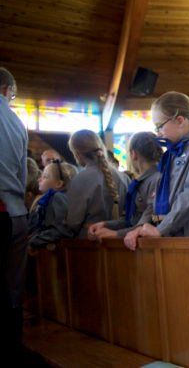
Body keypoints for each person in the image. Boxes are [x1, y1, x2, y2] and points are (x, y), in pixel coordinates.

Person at [123, 92, 189, 251]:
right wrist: (140, 227)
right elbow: (155, 197)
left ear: (180, 120)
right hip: (164, 231)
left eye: (160, 126)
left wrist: (161, 230)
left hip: (187, 234)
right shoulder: (170, 152)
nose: (158, 133)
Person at [0, 67, 29, 356]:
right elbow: (22, 176)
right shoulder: (17, 122)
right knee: (12, 290)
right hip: (16, 213)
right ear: (8, 90)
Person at [88, 132, 162, 241]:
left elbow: (150, 221)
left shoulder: (157, 179)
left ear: (133, 154)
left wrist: (116, 234)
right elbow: (131, 219)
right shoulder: (138, 182)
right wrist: (105, 225)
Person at [66, 130, 130, 238]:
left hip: (89, 242)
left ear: (77, 154)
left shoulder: (80, 179)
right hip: (120, 240)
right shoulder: (124, 177)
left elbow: (73, 222)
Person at [28, 160, 77, 248]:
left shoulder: (58, 197)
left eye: (45, 176)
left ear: (58, 184)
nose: (39, 179)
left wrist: (33, 241)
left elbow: (61, 230)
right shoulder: (49, 197)